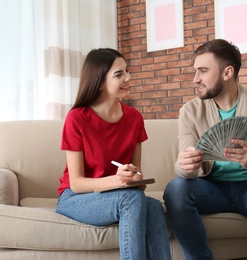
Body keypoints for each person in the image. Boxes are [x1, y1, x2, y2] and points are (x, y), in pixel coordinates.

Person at [163, 39, 247, 260]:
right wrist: (186, 166)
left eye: (203, 71)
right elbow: (184, 166)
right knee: (176, 188)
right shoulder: (189, 111)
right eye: (195, 71)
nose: (195, 79)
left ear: (227, 73)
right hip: (211, 191)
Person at [56, 48, 171, 260]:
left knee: (153, 206)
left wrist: (134, 177)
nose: (128, 78)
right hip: (76, 198)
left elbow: (138, 175)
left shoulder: (134, 118)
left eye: (127, 71)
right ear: (99, 82)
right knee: (131, 198)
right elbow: (77, 183)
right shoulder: (77, 119)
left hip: (117, 195)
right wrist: (117, 181)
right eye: (119, 74)